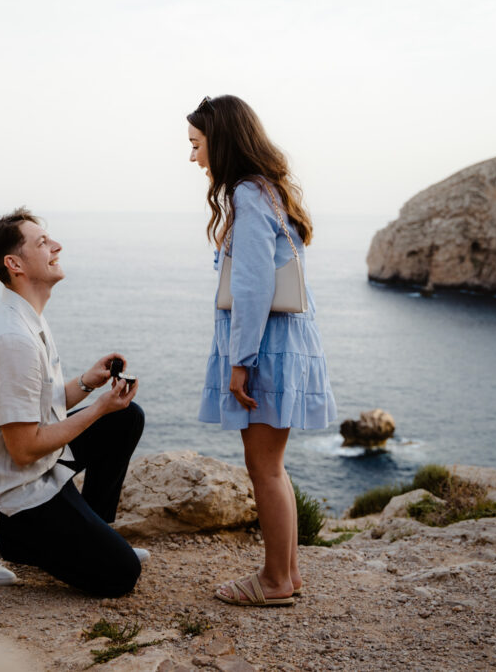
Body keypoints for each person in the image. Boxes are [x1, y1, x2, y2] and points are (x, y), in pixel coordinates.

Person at [187, 95, 337, 607]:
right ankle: (286, 575)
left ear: (221, 141)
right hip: (286, 344)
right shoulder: (269, 192)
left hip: (265, 347)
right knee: (273, 465)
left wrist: (239, 362)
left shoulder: (248, 196)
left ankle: (273, 581)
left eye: (197, 144)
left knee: (264, 467)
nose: (193, 157)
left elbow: (251, 288)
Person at [0, 207, 146, 598]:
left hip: (35, 471)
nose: (57, 246)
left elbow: (39, 409)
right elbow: (23, 449)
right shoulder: (12, 339)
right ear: (15, 264)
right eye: (43, 243)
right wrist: (98, 408)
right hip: (11, 496)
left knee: (125, 419)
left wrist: (87, 385)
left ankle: (93, 527)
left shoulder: (27, 318)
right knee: (119, 575)